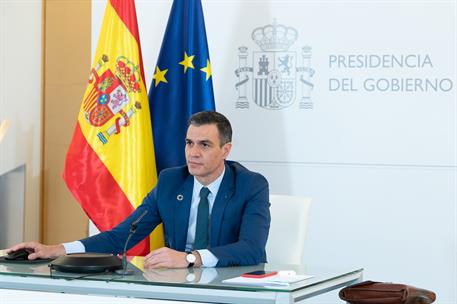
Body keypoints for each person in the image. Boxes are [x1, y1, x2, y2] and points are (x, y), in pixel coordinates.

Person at [8, 111, 271, 268]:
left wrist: (191, 259)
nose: (193, 153)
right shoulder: (171, 181)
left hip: (233, 288)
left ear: (226, 149)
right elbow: (121, 237)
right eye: (189, 143)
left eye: (204, 145)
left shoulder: (251, 185)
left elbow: (252, 249)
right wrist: (57, 249)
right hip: (181, 287)